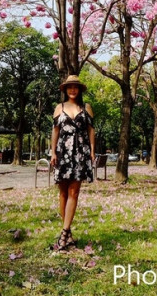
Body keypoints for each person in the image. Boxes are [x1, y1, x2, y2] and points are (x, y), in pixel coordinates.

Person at [50, 74, 95, 251]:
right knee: (62, 193)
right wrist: (53, 152)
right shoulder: (58, 108)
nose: (73, 89)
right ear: (65, 90)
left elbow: (91, 131)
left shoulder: (87, 107)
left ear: (79, 89)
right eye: (70, 87)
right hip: (62, 153)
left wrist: (91, 150)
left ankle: (64, 231)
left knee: (74, 192)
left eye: (75, 86)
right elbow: (55, 131)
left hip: (80, 153)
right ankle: (67, 234)